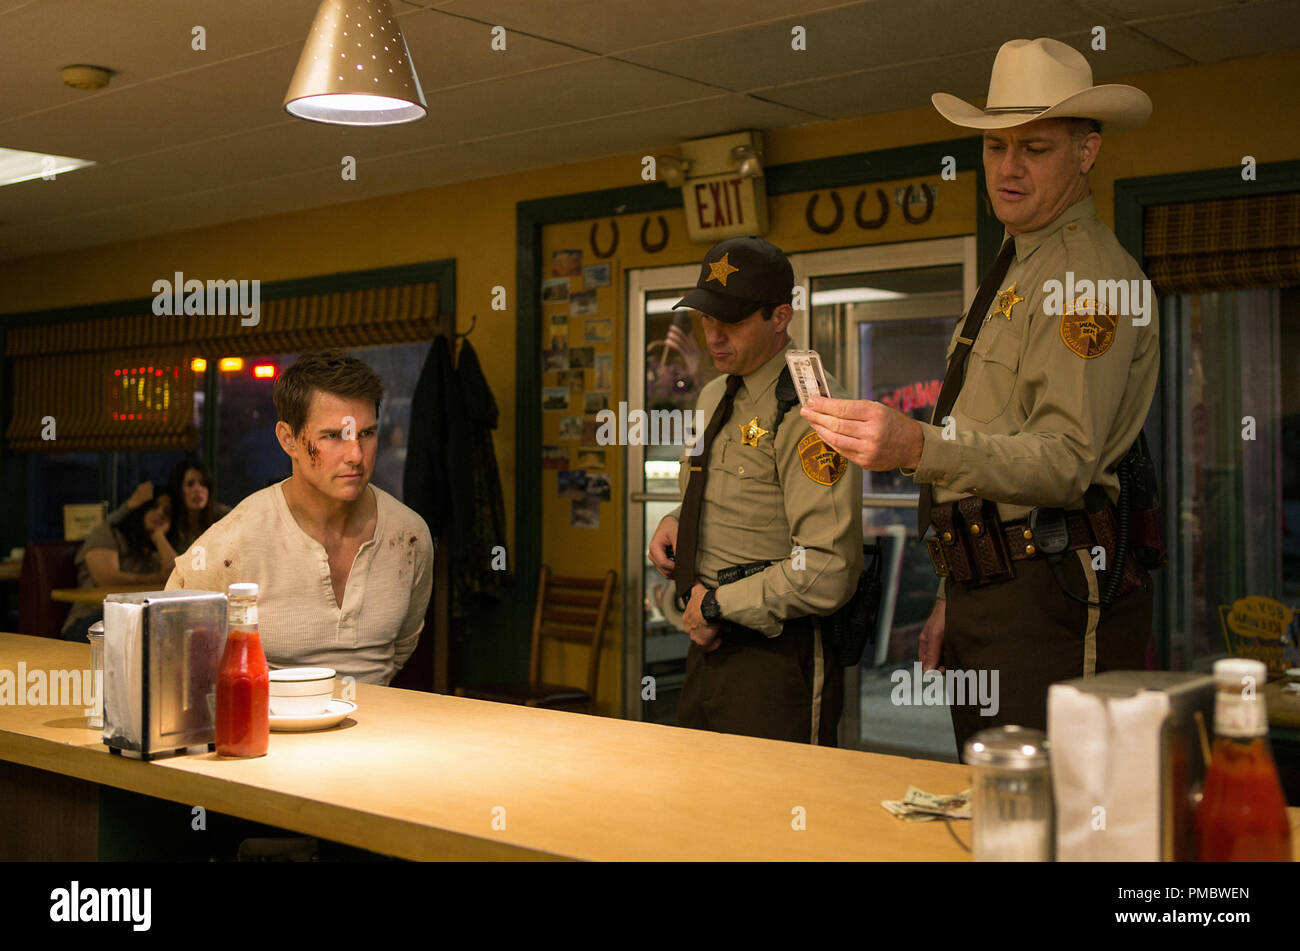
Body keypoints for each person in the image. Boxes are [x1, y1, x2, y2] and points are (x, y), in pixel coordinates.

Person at [799, 37, 1158, 753]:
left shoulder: (1083, 275)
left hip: (1049, 593)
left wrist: (913, 444)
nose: (1009, 167)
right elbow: (998, 438)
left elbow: (1063, 461)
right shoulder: (1017, 262)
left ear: (1087, 153)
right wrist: (950, 594)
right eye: (995, 147)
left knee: (1052, 810)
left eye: (1035, 147)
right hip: (987, 585)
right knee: (994, 805)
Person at [648, 236, 863, 745]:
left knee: (775, 813)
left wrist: (719, 606)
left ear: (780, 317)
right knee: (700, 804)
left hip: (777, 653)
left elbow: (829, 568)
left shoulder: (810, 409)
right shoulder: (713, 394)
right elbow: (722, 493)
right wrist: (678, 520)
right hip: (705, 638)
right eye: (706, 319)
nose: (714, 336)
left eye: (734, 321)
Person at [166, 350, 434, 685]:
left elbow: (403, 646)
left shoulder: (409, 536)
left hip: (380, 730)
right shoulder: (234, 542)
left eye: (366, 433)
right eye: (333, 436)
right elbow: (170, 647)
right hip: (271, 733)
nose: (355, 455)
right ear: (288, 439)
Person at [62, 490, 177, 641]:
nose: (160, 513)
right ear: (141, 508)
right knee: (152, 631)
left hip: (136, 618)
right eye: (154, 507)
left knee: (175, 628)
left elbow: (176, 577)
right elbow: (106, 579)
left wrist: (159, 537)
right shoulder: (107, 534)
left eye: (166, 511)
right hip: (92, 619)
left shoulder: (153, 545)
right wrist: (156, 578)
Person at [165, 457, 230, 552]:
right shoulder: (169, 525)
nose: (198, 489)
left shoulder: (224, 517)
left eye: (203, 484)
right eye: (190, 484)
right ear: (178, 490)